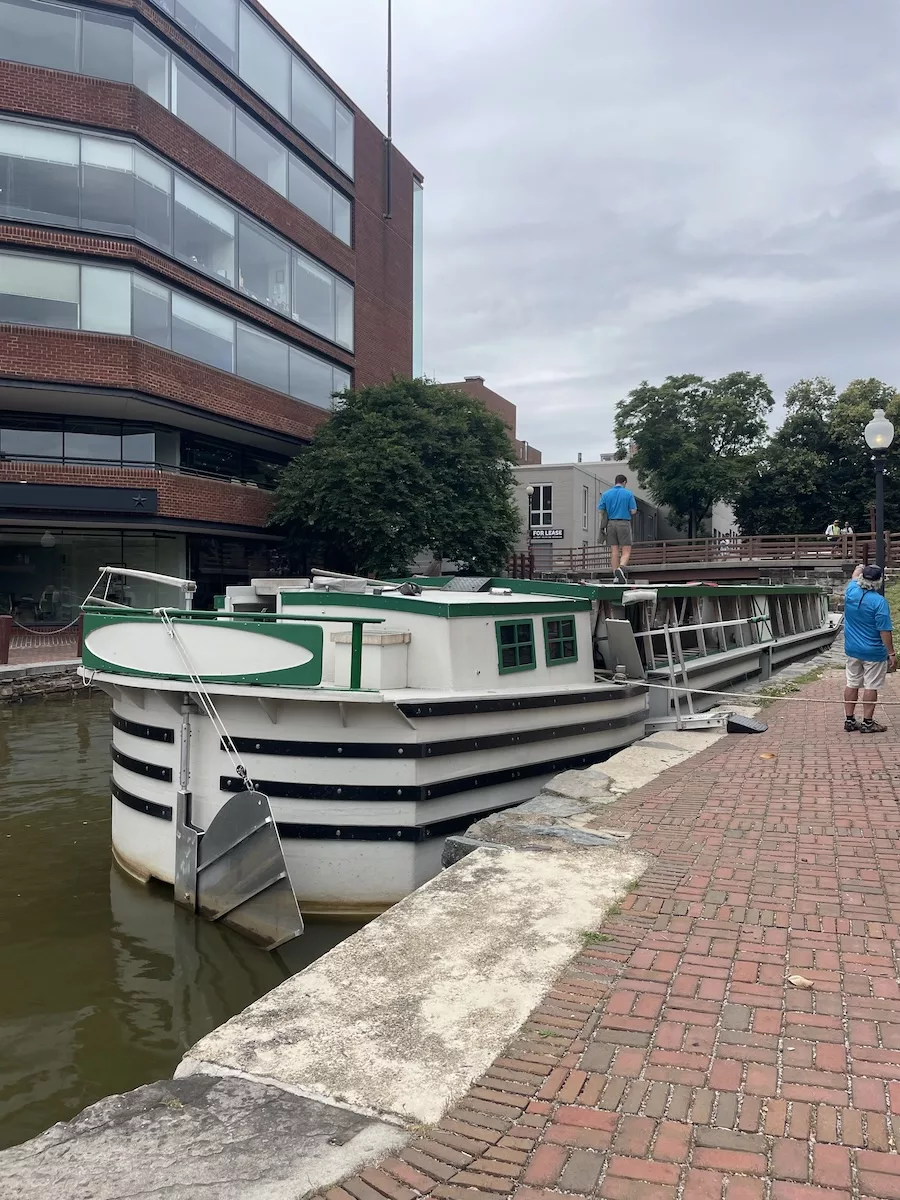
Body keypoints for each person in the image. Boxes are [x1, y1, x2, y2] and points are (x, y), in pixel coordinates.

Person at [843, 563, 895, 733]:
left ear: (861, 577)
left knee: (852, 683)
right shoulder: (879, 602)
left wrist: (860, 567)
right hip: (873, 651)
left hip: (852, 649)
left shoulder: (851, 591)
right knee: (870, 686)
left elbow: (854, 576)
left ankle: (849, 720)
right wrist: (891, 653)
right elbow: (884, 631)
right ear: (880, 581)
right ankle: (867, 723)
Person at [598, 474, 638, 583]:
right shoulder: (628, 493)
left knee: (614, 550)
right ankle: (621, 568)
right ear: (624, 482)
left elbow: (601, 510)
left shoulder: (606, 494)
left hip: (610, 524)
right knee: (626, 550)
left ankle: (615, 575)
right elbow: (633, 511)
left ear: (615, 482)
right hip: (624, 523)